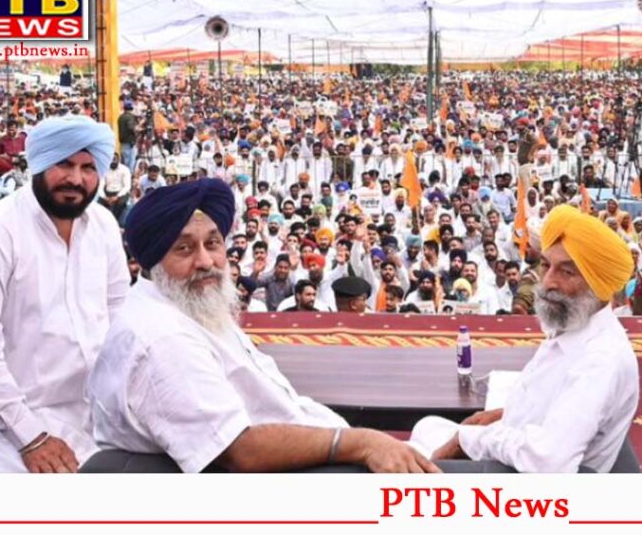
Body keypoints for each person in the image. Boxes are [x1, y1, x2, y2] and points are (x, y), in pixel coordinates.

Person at [90, 179, 438, 473]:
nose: (206, 261)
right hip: (296, 479)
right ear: (152, 260)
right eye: (184, 248)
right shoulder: (160, 338)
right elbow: (237, 448)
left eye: (212, 243)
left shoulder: (188, 305)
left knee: (447, 433)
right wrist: (359, 443)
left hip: (314, 451)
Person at [0, 116, 129, 473]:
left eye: (89, 167)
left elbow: (121, 320)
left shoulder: (104, 226)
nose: (76, 179)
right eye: (64, 163)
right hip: (18, 429)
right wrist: (32, 438)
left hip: (103, 420)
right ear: (39, 162)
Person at [426, 205, 638, 472]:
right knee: (427, 427)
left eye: (566, 272)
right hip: (518, 440)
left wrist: (469, 440)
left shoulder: (600, 361)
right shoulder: (575, 323)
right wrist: (500, 417)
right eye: (546, 265)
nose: (548, 282)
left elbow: (547, 460)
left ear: (600, 286)